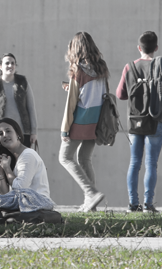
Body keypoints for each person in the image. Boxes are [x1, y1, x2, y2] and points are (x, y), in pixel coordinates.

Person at [116, 31, 162, 213]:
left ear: (139, 48)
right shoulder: (161, 67)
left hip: (135, 122)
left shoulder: (129, 68)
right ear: (156, 48)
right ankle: (148, 205)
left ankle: (133, 204)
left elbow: (120, 94)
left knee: (134, 162)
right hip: (156, 121)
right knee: (151, 164)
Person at [59, 32, 109, 212]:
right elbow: (96, 94)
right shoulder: (101, 68)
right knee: (84, 158)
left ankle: (91, 192)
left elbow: (71, 104)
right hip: (95, 121)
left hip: (79, 121)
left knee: (64, 157)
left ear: (75, 49)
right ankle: (91, 203)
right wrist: (70, 86)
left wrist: (65, 129)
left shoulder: (77, 70)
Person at [0, 117, 54, 212]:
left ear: (17, 134)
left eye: (8, 131)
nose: (5, 135)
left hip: (38, 202)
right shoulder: (10, 158)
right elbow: (4, 195)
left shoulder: (28, 155)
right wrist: (0, 172)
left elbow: (20, 188)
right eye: (1, 134)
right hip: (23, 201)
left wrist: (7, 168)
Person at [0, 53, 38, 149]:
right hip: (2, 134)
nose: (10, 66)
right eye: (7, 63)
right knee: (3, 163)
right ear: (0, 67)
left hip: (22, 133)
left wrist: (34, 132)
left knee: (22, 162)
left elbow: (31, 108)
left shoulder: (23, 83)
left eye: (13, 63)